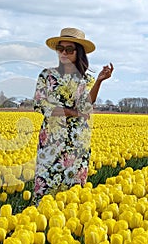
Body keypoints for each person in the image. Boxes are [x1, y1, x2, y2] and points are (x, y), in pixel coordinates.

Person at [33, 27, 113, 202]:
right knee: (46, 185)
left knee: (73, 192)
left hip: (78, 141)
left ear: (78, 53)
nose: (63, 53)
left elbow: (86, 106)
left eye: (69, 49)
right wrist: (71, 112)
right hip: (52, 140)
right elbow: (40, 104)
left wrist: (99, 81)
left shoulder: (85, 79)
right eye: (60, 49)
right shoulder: (47, 75)